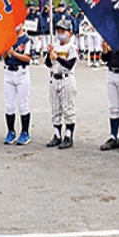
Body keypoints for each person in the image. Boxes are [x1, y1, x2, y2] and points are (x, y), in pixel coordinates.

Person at [46, 19, 79, 149]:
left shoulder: (72, 47)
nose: (60, 33)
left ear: (69, 32)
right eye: (58, 31)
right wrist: (49, 55)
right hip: (54, 78)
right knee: (55, 109)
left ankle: (68, 136)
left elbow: (70, 65)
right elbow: (48, 64)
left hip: (66, 79)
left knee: (68, 109)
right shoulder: (55, 46)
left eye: (63, 31)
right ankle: (57, 135)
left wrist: (57, 58)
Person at [2, 28, 32, 145]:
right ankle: (10, 131)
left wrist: (14, 53)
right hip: (9, 72)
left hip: (22, 72)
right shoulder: (9, 39)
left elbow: (28, 58)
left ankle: (25, 132)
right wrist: (6, 51)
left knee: (23, 103)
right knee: (9, 104)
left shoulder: (26, 40)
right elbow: (4, 58)